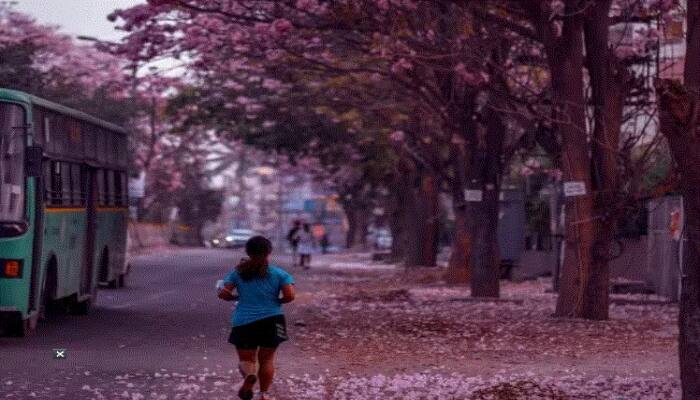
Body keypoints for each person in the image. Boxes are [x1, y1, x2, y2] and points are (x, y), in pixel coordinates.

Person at [218, 236, 296, 400]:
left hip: (244, 322)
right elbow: (290, 296)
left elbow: (223, 293)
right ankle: (263, 394)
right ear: (269, 252)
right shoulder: (280, 274)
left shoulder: (237, 273)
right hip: (273, 320)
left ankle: (249, 376)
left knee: (247, 360)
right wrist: (277, 301)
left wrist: (235, 297)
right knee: (267, 359)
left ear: (248, 252)